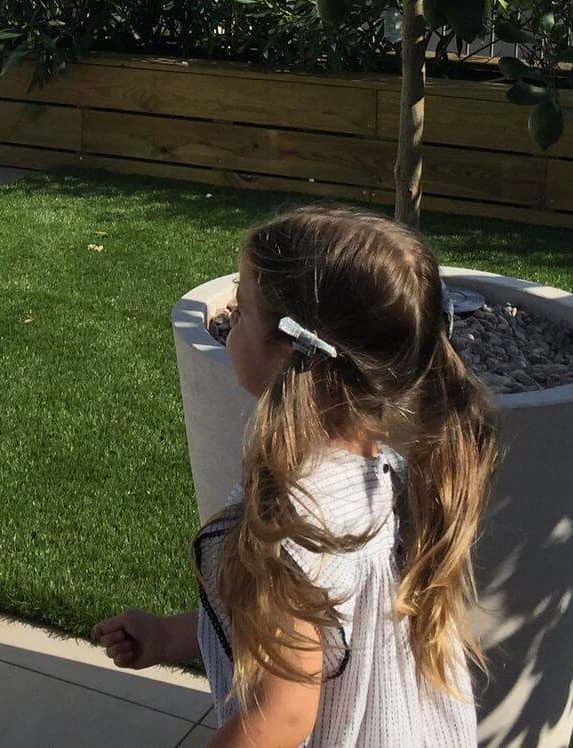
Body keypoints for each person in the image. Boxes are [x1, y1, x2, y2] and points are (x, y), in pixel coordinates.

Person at [92, 206, 497, 747]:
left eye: (243, 309)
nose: (231, 317)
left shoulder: (294, 523)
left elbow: (280, 719)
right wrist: (170, 637)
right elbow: (312, 627)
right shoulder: (390, 474)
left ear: (291, 348)